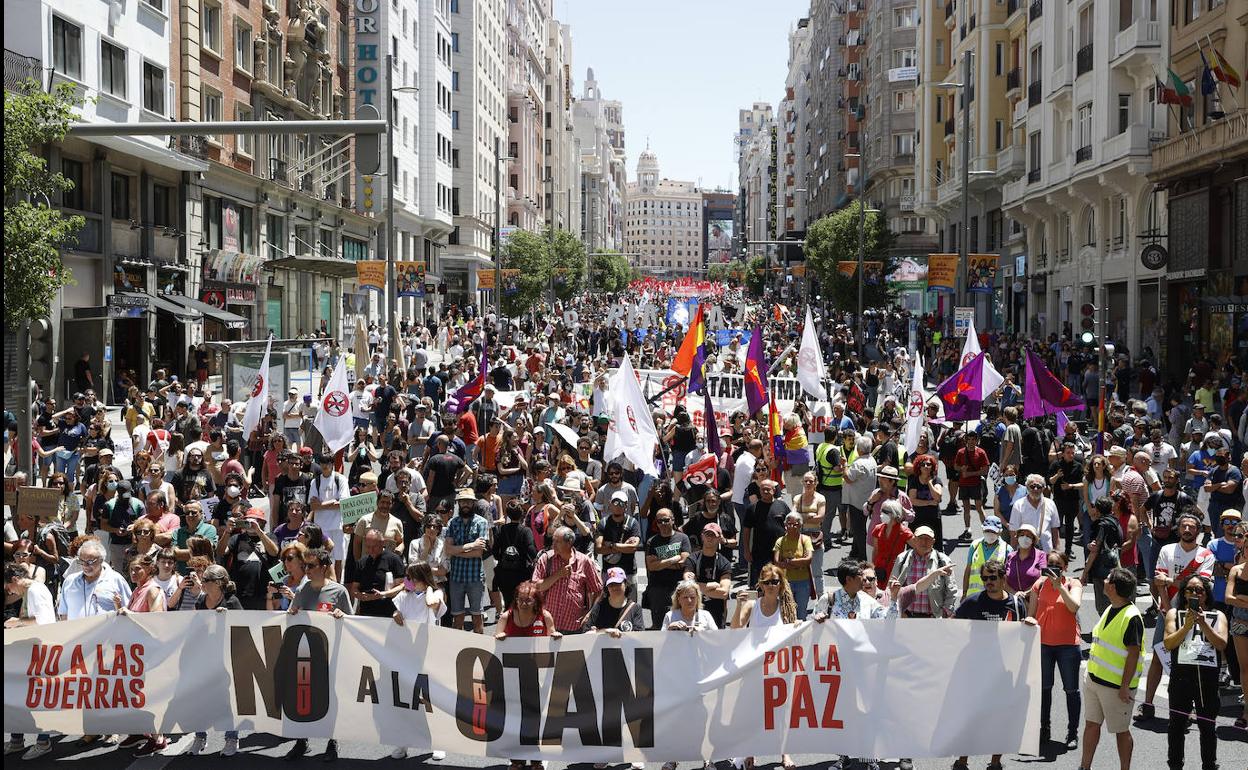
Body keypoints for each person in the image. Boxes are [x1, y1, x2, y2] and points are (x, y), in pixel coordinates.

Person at [951, 559, 1033, 770]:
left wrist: (1030, 626)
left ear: (1003, 579)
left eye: (993, 578)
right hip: (976, 671)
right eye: (985, 578)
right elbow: (954, 626)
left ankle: (995, 762)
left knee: (1000, 719)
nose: (988, 582)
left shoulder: (1016, 604)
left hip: (1005, 672)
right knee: (970, 719)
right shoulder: (973, 602)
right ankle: (962, 761)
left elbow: (1023, 635)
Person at [1138, 511, 1215, 721]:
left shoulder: (1206, 555)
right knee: (1157, 656)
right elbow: (1158, 582)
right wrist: (1164, 605)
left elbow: (1199, 586)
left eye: (1192, 527)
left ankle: (1187, 707)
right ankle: (1148, 703)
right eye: (1184, 526)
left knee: (1189, 661)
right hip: (1168, 613)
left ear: (1198, 531)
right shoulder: (1167, 550)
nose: (1188, 530)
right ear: (1179, 528)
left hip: (1194, 614)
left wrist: (1170, 580)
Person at [284, 547, 349, 761]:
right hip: (306, 654)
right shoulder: (302, 591)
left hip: (330, 655)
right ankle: (301, 741)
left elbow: (353, 622)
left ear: (323, 567)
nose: (307, 570)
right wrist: (292, 612)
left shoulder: (339, 591)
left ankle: (333, 742)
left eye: (311, 566)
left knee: (330, 698)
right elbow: (292, 615)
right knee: (304, 698)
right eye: (305, 566)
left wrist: (342, 616)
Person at [731, 563, 798, 770]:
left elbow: (793, 633)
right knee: (753, 712)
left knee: (781, 712)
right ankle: (750, 752)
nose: (771, 585)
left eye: (775, 582)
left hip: (780, 668)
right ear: (760, 584)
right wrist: (739, 606)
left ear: (780, 584)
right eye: (767, 582)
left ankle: (785, 753)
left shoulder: (787, 607)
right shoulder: (753, 605)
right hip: (755, 668)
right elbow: (736, 628)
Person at [1079, 567, 1144, 770]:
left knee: (1121, 731)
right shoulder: (1111, 607)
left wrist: (1125, 687)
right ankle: (1084, 766)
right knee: (1091, 725)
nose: (1104, 580)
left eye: (1107, 578)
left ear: (1113, 587)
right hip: (1094, 681)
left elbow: (1133, 655)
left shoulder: (1131, 616)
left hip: (1116, 688)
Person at [1161, 574, 1228, 770]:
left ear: (1206, 594)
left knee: (1207, 725)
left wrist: (1203, 622)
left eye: (1199, 590)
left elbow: (1221, 643)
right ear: (1183, 593)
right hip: (1181, 676)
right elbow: (1168, 643)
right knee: (1176, 725)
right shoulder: (1175, 613)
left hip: (1207, 678)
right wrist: (1187, 626)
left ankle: (1209, 764)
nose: (1194, 593)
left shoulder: (1218, 615)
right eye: (1189, 590)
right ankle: (1175, 765)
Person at [494, 580, 560, 770]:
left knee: (535, 717)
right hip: (511, 676)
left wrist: (554, 635)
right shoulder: (507, 616)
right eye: (520, 599)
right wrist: (499, 638)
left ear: (536, 601)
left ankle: (536, 758)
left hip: (536, 677)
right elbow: (495, 638)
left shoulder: (544, 617)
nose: (523, 603)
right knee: (514, 715)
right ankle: (517, 759)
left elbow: (552, 635)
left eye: (528, 600)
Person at [1025, 551, 1083, 750]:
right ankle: (1044, 729)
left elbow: (1074, 607)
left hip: (1068, 645)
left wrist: (1060, 587)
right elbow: (1031, 613)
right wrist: (1029, 620)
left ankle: (1072, 732)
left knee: (1071, 690)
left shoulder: (1073, 584)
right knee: (1044, 689)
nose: (1052, 567)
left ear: (1065, 567)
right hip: (1043, 645)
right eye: (1049, 563)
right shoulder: (1038, 585)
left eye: (1056, 564)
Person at [187, 564, 242, 755]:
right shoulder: (201, 601)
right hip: (204, 658)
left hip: (226, 659)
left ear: (218, 583)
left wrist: (226, 620)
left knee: (228, 701)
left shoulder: (232, 602)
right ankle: (200, 737)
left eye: (206, 581)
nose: (202, 583)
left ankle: (231, 738)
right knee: (199, 699)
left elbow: (242, 630)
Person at [3, 563, 56, 759]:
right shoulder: (31, 591)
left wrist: (16, 623)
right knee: (20, 697)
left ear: (15, 580)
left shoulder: (34, 591)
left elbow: (43, 620)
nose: (9, 592)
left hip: (39, 653)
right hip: (29, 652)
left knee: (35, 698)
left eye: (8, 587)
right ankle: (18, 739)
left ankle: (43, 742)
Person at [532, 526, 603, 634]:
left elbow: (598, 590)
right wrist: (558, 574)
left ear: (569, 543)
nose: (553, 544)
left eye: (557, 541)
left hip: (574, 627)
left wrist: (589, 614)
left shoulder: (584, 562)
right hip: (548, 625)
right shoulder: (546, 559)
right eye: (553, 540)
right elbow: (536, 586)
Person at [444, 490, 491, 632]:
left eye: (468, 502)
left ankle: (480, 648)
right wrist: (471, 546)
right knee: (458, 618)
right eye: (463, 501)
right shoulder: (452, 522)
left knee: (477, 617)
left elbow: (479, 553)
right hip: (456, 578)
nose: (466, 504)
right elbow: (448, 550)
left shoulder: (481, 522)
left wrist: (457, 550)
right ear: (459, 503)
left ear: (473, 503)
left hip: (475, 578)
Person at [889, 525, 959, 618]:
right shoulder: (902, 558)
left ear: (933, 541)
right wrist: (898, 611)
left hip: (932, 618)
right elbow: (891, 587)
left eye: (927, 539)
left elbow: (951, 590)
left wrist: (945, 612)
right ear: (914, 540)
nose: (924, 542)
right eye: (920, 538)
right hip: (906, 617)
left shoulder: (943, 561)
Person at [644, 508, 692, 627]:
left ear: (673, 520)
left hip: (679, 588)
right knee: (659, 625)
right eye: (660, 521)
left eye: (666, 520)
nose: (663, 524)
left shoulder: (683, 538)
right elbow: (651, 566)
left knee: (682, 622)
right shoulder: (652, 541)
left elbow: (683, 562)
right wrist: (673, 559)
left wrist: (660, 563)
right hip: (657, 589)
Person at [682, 523, 734, 628]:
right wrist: (710, 586)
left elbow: (723, 593)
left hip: (717, 615)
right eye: (707, 534)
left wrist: (698, 587)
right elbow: (688, 584)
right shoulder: (692, 559)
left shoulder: (724, 563)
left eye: (713, 535)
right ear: (702, 536)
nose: (710, 538)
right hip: (694, 613)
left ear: (719, 538)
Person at [492, 499, 538, 611]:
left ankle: (508, 626)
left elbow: (495, 551)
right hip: (522, 574)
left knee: (508, 605)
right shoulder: (526, 531)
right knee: (521, 605)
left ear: (507, 514)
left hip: (504, 574)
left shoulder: (502, 529)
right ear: (522, 514)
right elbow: (531, 551)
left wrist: (503, 558)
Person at [743, 480, 791, 586]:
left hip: (780, 552)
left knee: (781, 582)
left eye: (768, 489)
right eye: (762, 489)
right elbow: (746, 531)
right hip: (760, 553)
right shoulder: (752, 508)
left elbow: (790, 525)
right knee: (762, 583)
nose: (765, 491)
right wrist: (746, 550)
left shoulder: (782, 505)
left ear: (774, 490)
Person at [1224, 517, 1248, 729]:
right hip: (1239, 622)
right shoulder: (1236, 570)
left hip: (1241, 616)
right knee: (1244, 669)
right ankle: (1246, 710)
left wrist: (1242, 599)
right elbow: (1228, 598)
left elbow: (1236, 598)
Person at [1009, 474, 1062, 554]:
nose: (1036, 489)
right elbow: (1013, 532)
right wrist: (1013, 553)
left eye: (1039, 486)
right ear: (1027, 487)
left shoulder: (1050, 504)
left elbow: (1055, 529)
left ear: (1043, 488)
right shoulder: (1018, 505)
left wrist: (1057, 550)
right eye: (1032, 486)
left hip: (1046, 552)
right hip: (1025, 553)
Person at [585, 566, 645, 634]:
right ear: (607, 588)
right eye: (611, 585)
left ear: (625, 584)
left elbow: (640, 635)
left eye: (618, 584)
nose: (614, 588)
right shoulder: (599, 607)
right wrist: (604, 631)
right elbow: (586, 634)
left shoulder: (635, 608)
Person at [953, 431, 990, 540]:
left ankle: (988, 529)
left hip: (976, 484)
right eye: (968, 439)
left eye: (973, 439)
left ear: (976, 440)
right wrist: (961, 469)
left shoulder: (981, 453)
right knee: (966, 508)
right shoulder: (961, 452)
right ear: (966, 440)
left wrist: (970, 474)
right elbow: (955, 466)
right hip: (964, 484)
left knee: (979, 507)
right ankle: (967, 529)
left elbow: (985, 470)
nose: (971, 442)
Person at [963, 515, 1011, 597]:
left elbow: (1007, 577)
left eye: (993, 531)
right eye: (987, 530)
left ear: (1000, 532)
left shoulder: (1007, 549)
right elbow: (968, 570)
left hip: (995, 597)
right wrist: (964, 593)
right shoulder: (975, 545)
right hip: (974, 596)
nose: (990, 534)